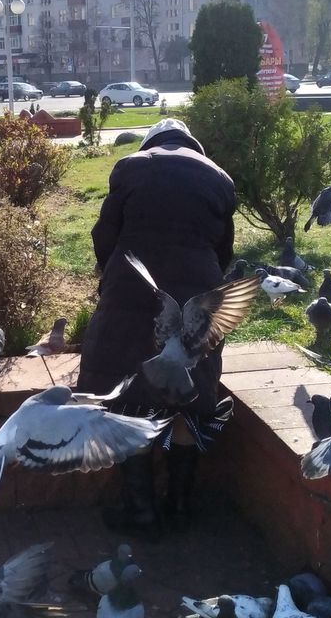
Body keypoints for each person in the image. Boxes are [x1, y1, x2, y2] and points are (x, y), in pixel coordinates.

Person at [76, 117, 237, 535]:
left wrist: (111, 278)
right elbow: (224, 249)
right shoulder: (220, 178)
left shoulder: (130, 166)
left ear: (151, 141)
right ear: (191, 144)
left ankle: (141, 513)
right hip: (199, 294)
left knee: (131, 394)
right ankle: (181, 507)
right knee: (191, 394)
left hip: (134, 287)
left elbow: (103, 235)